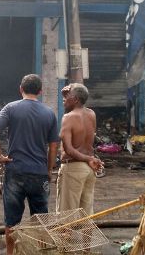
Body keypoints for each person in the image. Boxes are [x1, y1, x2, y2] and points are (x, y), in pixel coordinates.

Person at [0, 74, 59, 255]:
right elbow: (53, 146)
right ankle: (42, 252)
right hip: (39, 173)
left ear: (21, 89)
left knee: (11, 221)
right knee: (41, 219)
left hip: (15, 171)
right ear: (40, 91)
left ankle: (11, 254)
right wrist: (49, 169)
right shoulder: (49, 113)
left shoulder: (11, 108)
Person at [57, 83, 104, 215]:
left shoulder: (68, 118)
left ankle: (66, 237)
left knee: (66, 217)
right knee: (86, 215)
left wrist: (89, 158)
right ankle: (86, 237)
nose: (64, 99)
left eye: (67, 96)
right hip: (89, 170)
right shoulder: (91, 114)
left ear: (76, 99)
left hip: (73, 168)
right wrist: (89, 159)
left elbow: (69, 150)